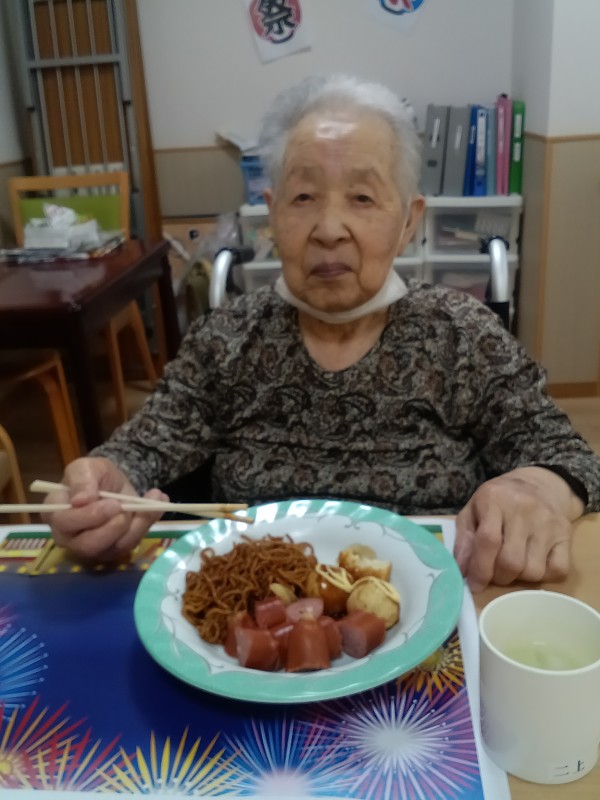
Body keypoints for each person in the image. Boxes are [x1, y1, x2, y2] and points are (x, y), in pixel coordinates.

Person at [44, 74, 600, 592]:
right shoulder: (227, 338)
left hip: (425, 603)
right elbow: (141, 450)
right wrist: (107, 483)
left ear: (409, 221)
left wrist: (536, 489)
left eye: (362, 198)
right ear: (272, 215)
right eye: (304, 197)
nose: (329, 230)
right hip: (254, 613)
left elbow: (568, 458)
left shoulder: (463, 336)